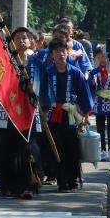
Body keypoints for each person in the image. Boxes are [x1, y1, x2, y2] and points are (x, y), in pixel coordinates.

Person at [39, 38, 93, 193]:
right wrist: (42, 113)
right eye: (57, 51)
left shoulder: (76, 72)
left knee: (72, 149)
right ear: (52, 54)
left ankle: (73, 180)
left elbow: (84, 94)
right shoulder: (48, 72)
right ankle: (62, 182)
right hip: (53, 115)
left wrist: (85, 114)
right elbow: (42, 95)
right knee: (57, 150)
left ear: (67, 52)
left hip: (71, 115)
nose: (61, 54)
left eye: (63, 50)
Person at [0, 27, 43, 199]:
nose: (21, 41)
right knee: (6, 147)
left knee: (28, 149)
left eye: (25, 38)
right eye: (17, 38)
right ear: (12, 42)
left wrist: (33, 90)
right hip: (8, 110)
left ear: (31, 41)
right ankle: (7, 185)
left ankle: (28, 185)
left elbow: (40, 86)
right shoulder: (5, 61)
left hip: (28, 111)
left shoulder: (35, 62)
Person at [88, 47, 110, 161]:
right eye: (98, 57)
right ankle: (102, 149)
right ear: (96, 59)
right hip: (99, 102)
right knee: (100, 127)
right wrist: (93, 84)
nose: (101, 59)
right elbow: (90, 87)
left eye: (103, 57)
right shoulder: (94, 72)